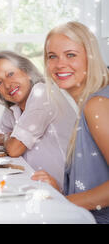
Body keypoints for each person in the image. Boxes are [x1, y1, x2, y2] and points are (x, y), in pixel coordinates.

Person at [31, 21, 109, 224]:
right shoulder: (91, 102)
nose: (59, 64)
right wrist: (59, 190)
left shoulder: (97, 105)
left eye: (71, 55)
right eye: (52, 56)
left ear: (90, 57)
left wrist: (62, 202)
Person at [0, 50, 76, 188]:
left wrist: (9, 139)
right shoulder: (14, 106)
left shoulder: (42, 92)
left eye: (10, 74)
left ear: (26, 72)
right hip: (35, 183)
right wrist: (9, 139)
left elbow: (14, 149)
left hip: (65, 189)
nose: (8, 85)